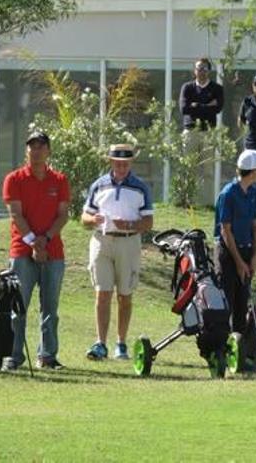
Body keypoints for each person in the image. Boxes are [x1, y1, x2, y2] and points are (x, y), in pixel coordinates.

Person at [1, 131, 70, 371]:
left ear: (48, 151)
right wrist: (33, 243)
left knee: (50, 308)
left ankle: (48, 356)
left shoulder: (59, 180)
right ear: (26, 151)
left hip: (53, 252)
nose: (36, 150)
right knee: (17, 307)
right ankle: (14, 355)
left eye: (41, 146)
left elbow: (63, 215)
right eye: (32, 146)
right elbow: (16, 214)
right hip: (22, 251)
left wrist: (45, 239)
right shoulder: (14, 179)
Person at [80, 143, 154, 360]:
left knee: (125, 295)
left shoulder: (140, 188)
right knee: (102, 293)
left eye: (125, 163)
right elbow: (84, 218)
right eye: (117, 163)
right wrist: (93, 219)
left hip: (128, 243)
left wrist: (130, 225)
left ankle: (120, 343)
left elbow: (148, 222)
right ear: (111, 162)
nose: (121, 167)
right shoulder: (99, 185)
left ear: (131, 163)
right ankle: (100, 343)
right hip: (101, 241)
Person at [214, 149, 256, 333]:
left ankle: (240, 352)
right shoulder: (228, 194)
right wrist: (238, 262)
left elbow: (255, 225)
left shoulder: (252, 192)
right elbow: (225, 230)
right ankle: (222, 349)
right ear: (253, 172)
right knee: (226, 303)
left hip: (246, 251)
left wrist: (254, 256)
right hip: (227, 253)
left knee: (242, 305)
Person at [179, 57, 224, 132]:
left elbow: (218, 109)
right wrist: (208, 105)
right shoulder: (187, 87)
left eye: (205, 69)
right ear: (195, 71)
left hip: (209, 131)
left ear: (209, 71)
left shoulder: (217, 88)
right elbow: (184, 109)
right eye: (199, 69)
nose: (202, 71)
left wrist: (195, 105)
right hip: (190, 130)